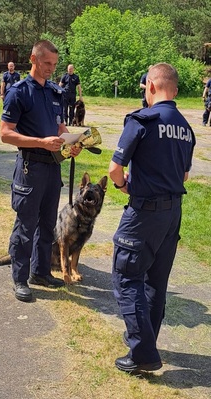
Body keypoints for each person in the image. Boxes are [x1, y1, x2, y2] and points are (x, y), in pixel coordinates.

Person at [109, 63, 195, 373]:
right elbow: (184, 174)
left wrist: (122, 186)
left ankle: (143, 354)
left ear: (153, 86)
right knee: (156, 282)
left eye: (146, 86)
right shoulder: (186, 128)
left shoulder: (141, 120)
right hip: (172, 214)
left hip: (143, 213)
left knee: (127, 276)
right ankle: (146, 339)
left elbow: (114, 170)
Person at [0, 40, 81, 302]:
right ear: (33, 59)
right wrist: (40, 143)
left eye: (55, 65)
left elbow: (59, 128)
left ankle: (40, 271)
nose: (51, 68)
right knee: (26, 224)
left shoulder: (55, 92)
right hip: (30, 166)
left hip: (52, 168)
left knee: (48, 224)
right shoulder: (19, 92)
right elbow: (5, 134)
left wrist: (73, 143)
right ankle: (20, 278)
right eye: (47, 63)